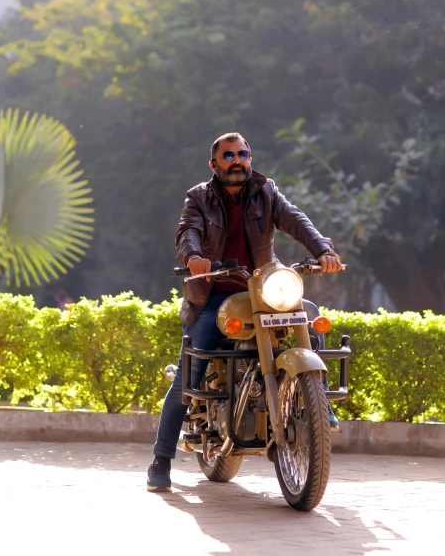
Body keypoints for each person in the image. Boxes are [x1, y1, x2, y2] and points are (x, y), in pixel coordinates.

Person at [147, 132, 343, 491]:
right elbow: (187, 232)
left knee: (310, 317)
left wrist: (322, 250)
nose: (237, 160)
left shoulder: (266, 192)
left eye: (243, 154)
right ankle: (161, 459)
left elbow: (296, 220)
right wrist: (193, 257)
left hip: (263, 290)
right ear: (214, 164)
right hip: (214, 294)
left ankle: (319, 401)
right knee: (189, 377)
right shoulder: (199, 197)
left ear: (250, 159)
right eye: (228, 156)